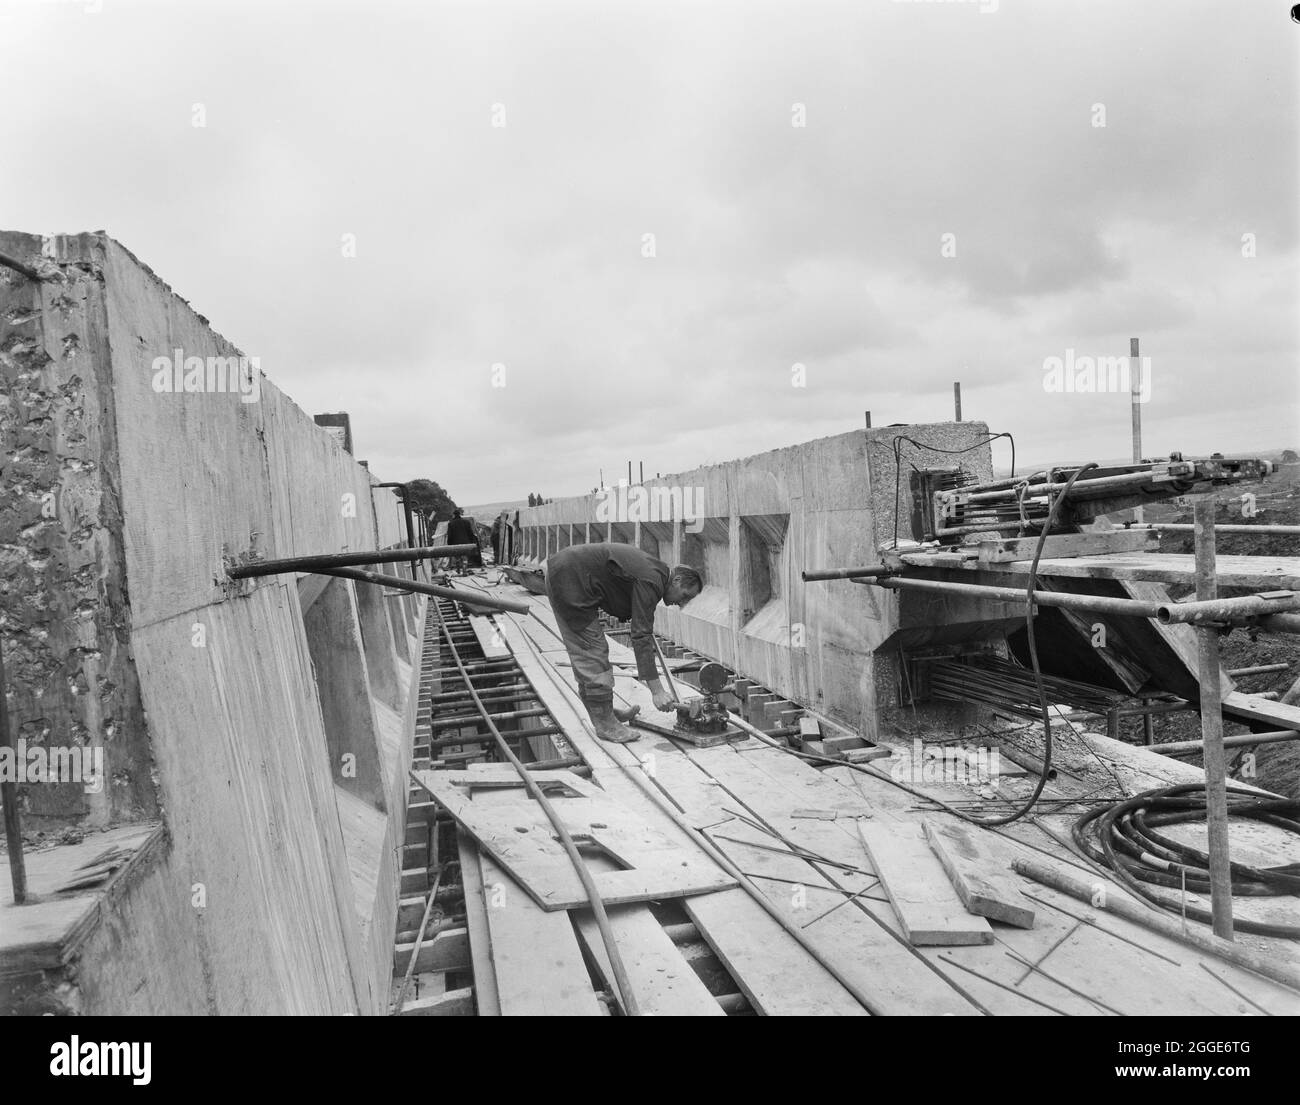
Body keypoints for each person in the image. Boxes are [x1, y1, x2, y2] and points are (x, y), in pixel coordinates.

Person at [545, 543, 702, 743]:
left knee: (589, 650)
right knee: (592, 650)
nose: (681, 603)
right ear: (677, 580)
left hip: (568, 575)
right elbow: (640, 636)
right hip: (571, 581)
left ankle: (603, 712)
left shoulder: (655, 574)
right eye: (685, 596)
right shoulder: (652, 580)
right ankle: (605, 723)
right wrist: (657, 691)